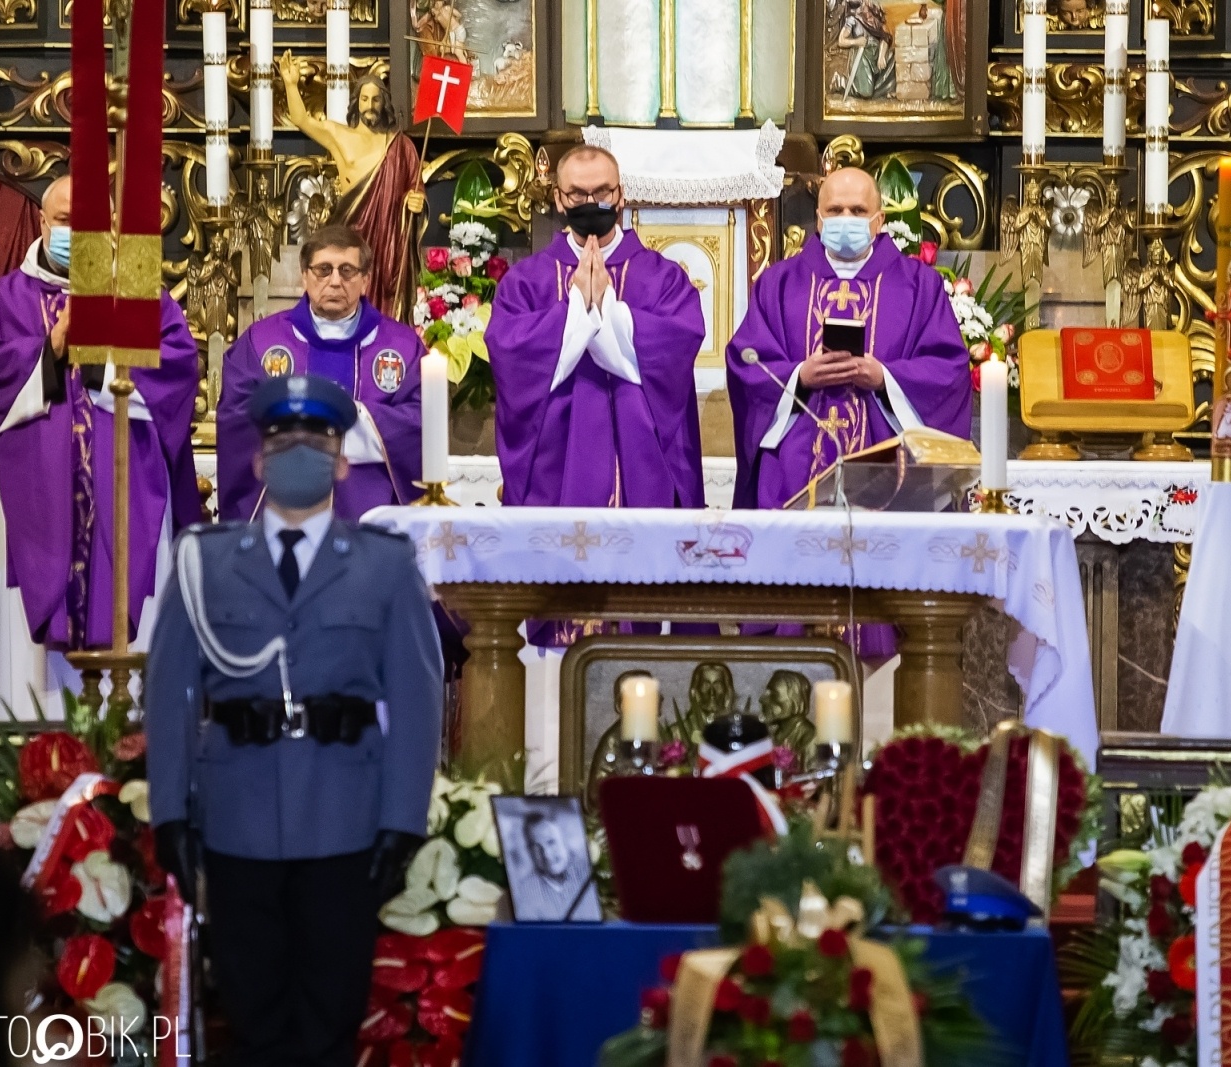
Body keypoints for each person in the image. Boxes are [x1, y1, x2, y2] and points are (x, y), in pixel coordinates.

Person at [146, 373, 443, 1067]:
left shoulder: (386, 565)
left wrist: (402, 820)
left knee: (330, 1025)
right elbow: (170, 694)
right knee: (252, 1023)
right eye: (283, 439)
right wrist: (169, 814)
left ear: (342, 460)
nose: (299, 451)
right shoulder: (205, 561)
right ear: (259, 459)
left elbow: (419, 694)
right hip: (237, 818)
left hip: (345, 820)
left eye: (317, 440)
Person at [0, 174, 200, 719]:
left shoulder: (142, 299)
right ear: (42, 223)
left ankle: (125, 782)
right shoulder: (0, 301)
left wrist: (106, 358)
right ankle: (20, 784)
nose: (78, 234)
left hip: (122, 510)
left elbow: (177, 374)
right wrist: (49, 351)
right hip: (24, 516)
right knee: (28, 687)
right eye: (65, 221)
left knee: (123, 688)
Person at [726, 167, 970, 655]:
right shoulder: (779, 283)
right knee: (793, 628)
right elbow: (746, 362)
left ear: (879, 221)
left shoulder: (918, 286)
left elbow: (949, 368)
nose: (846, 220)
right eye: (835, 211)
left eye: (858, 211)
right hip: (797, 473)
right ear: (817, 220)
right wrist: (799, 376)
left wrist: (884, 377)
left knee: (883, 618)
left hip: (887, 472)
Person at [485, 145, 706, 509]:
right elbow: (510, 355)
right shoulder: (526, 281)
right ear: (558, 199)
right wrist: (576, 307)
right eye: (577, 194)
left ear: (620, 195)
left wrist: (606, 307)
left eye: (602, 191)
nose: (591, 201)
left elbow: (677, 348)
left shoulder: (663, 277)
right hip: (553, 474)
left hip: (640, 470)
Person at [216, 225, 423, 522]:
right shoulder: (262, 342)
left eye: (348, 271)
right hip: (284, 508)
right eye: (323, 270)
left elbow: (421, 420)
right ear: (304, 275)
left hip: (372, 513)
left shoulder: (402, 347)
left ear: (366, 280)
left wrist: (355, 418)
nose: (335, 281)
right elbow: (236, 417)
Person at [279, 53, 424, 320]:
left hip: (387, 242)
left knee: (383, 307)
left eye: (376, 99)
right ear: (357, 102)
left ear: (385, 103)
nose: (370, 105)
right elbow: (302, 120)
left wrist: (415, 202)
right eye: (365, 99)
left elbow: (414, 189)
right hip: (349, 237)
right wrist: (290, 84)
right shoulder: (339, 135)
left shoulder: (400, 146)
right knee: (343, 296)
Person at [518, 811, 596, 920]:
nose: (546, 854)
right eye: (537, 848)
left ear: (565, 840)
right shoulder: (525, 892)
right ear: (529, 851)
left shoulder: (588, 873)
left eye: (551, 842)